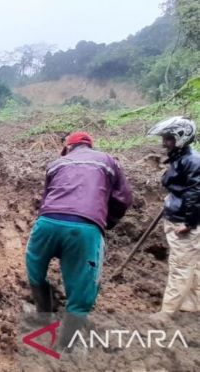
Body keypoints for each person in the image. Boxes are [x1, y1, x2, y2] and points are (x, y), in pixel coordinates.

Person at [26, 131, 133, 350]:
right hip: (85, 227)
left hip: (46, 223)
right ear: (90, 146)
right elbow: (124, 198)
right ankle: (67, 344)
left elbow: (46, 197)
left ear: (67, 148)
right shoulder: (108, 161)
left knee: (35, 270)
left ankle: (43, 315)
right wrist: (106, 221)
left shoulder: (57, 163)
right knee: (82, 290)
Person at [147, 116, 200, 320]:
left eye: (168, 138)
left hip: (184, 221)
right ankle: (192, 303)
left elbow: (196, 194)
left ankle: (167, 312)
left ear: (181, 138)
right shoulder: (181, 157)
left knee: (181, 265)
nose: (164, 143)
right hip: (178, 215)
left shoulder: (192, 161)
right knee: (192, 264)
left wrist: (189, 223)